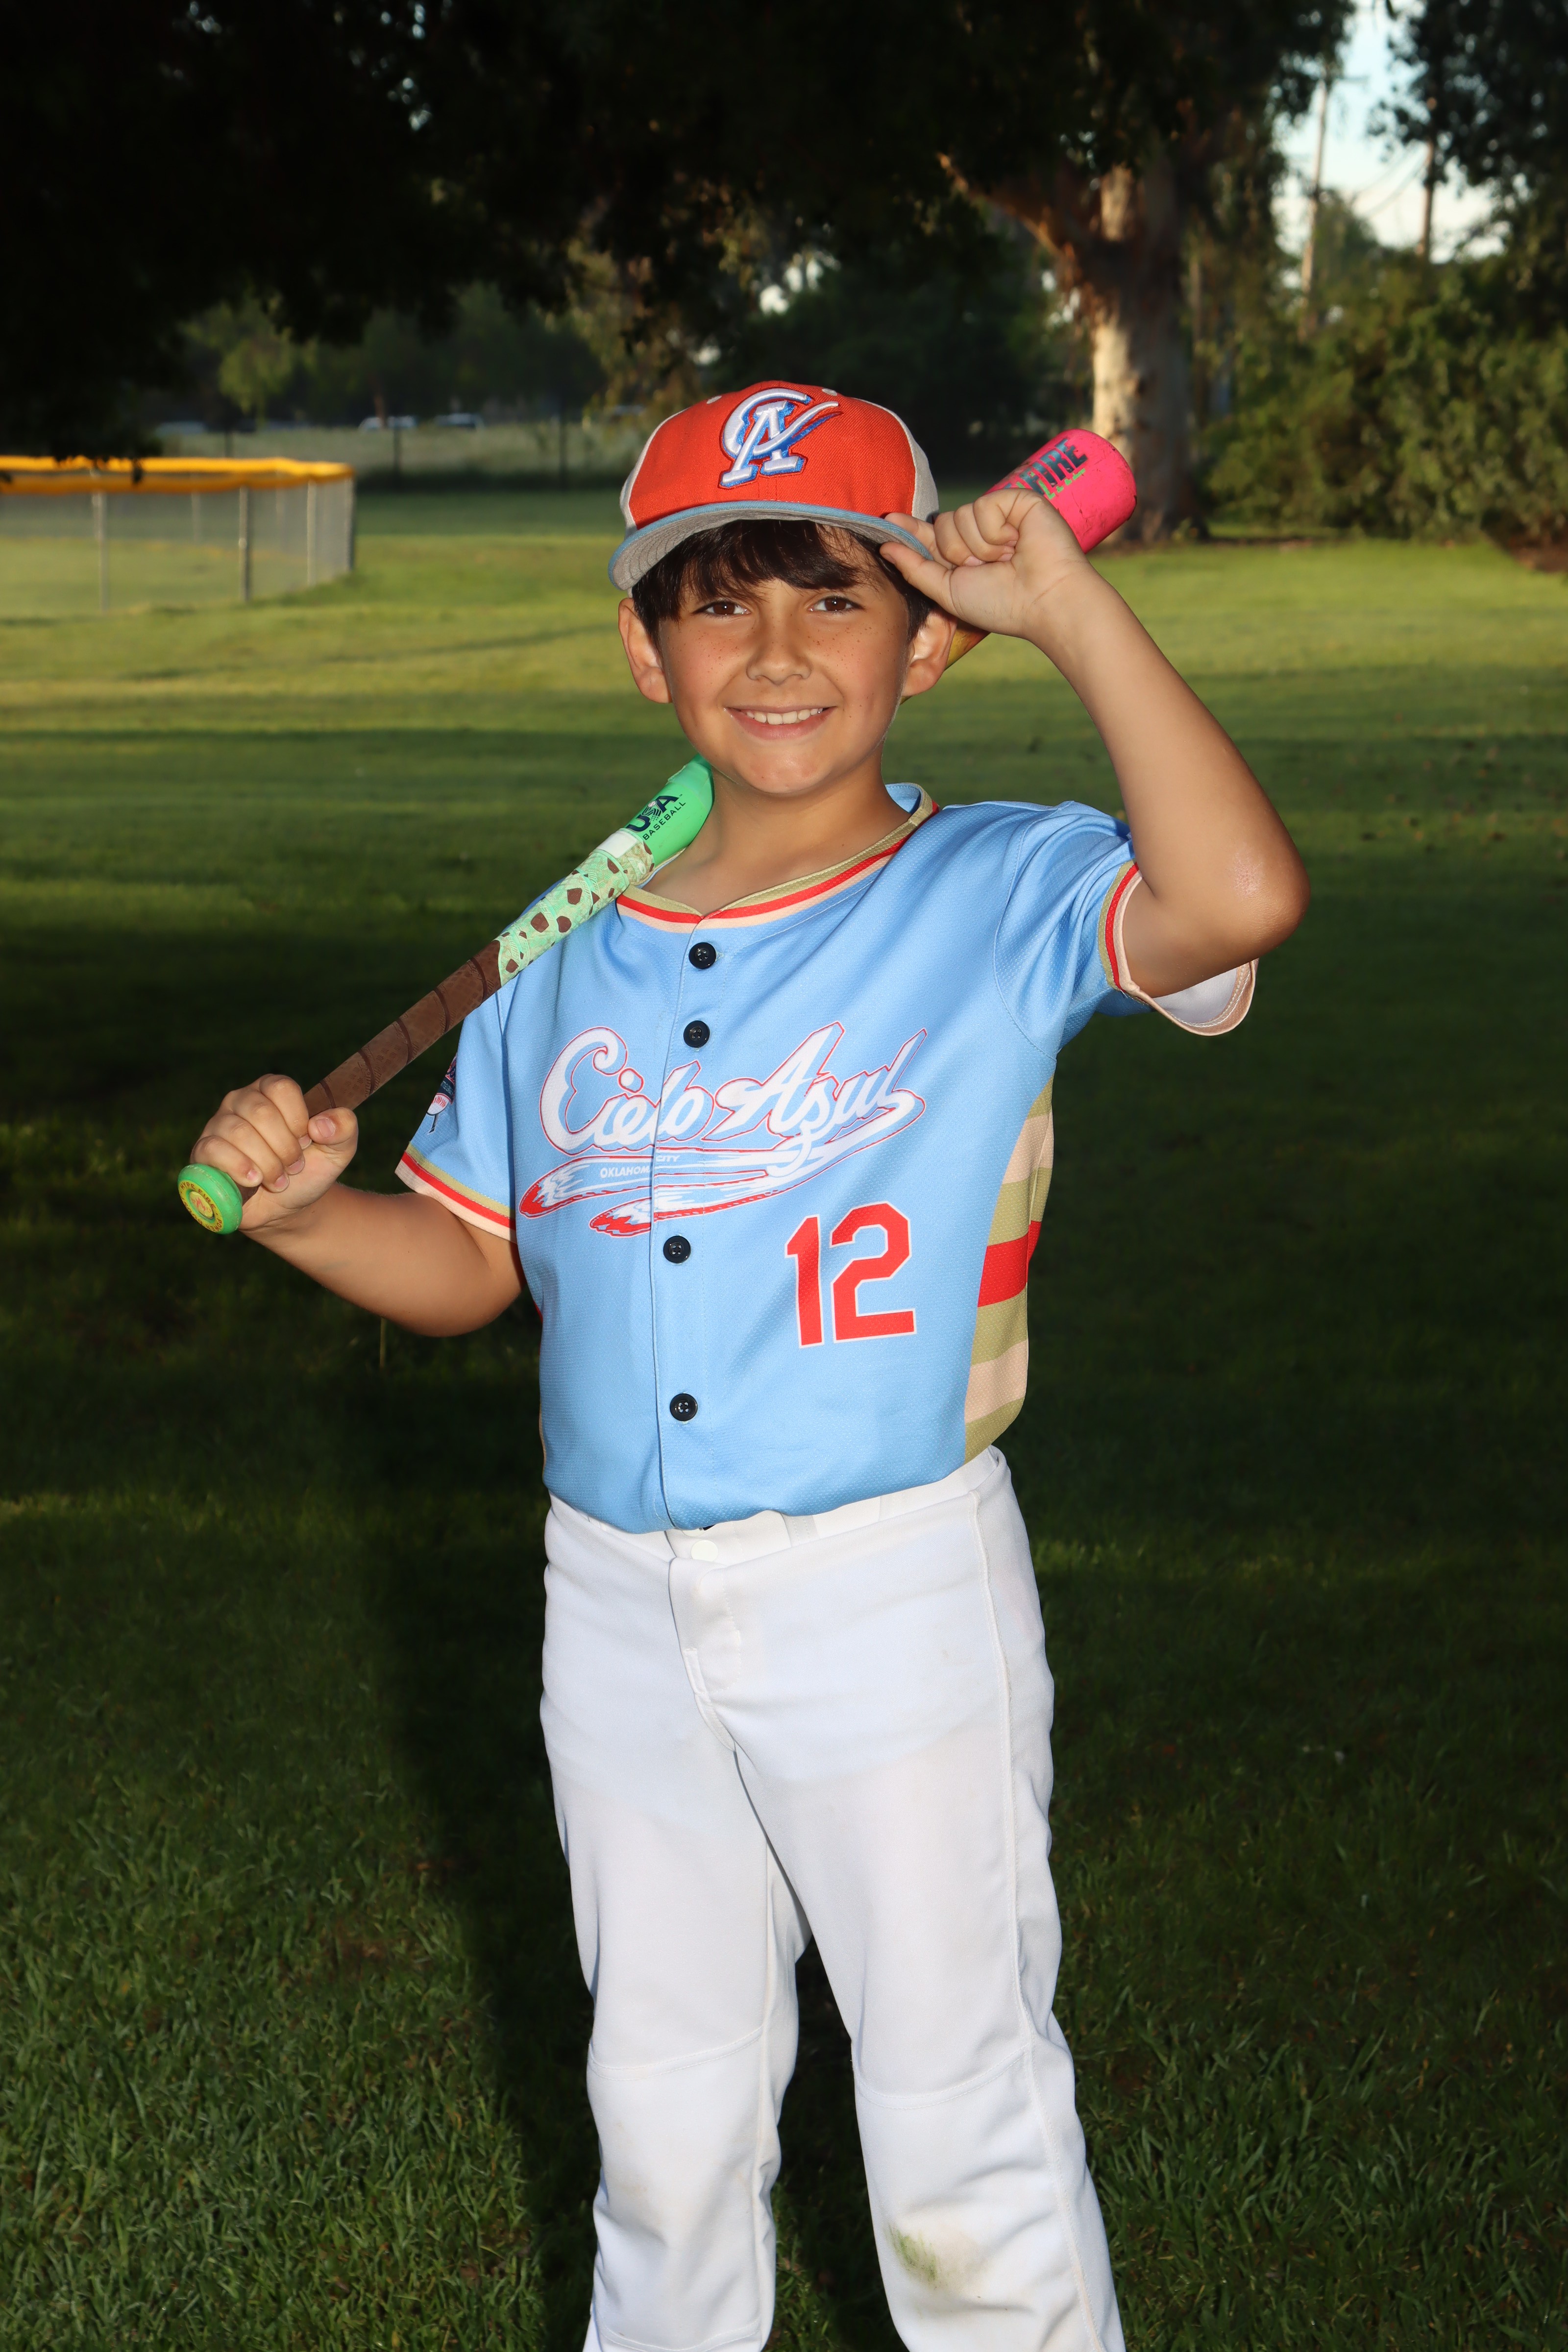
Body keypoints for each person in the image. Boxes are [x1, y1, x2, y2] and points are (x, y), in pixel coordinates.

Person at [187, 384, 1308, 2352]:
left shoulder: (1000, 888)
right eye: (719, 603)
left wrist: (1065, 601)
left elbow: (1236, 899)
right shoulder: (562, 952)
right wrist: (302, 1216)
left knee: (954, 2105)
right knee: (662, 2108)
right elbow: (467, 1264)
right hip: (615, 1602)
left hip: (890, 1587)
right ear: (648, 649)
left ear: (922, 644)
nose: (777, 649)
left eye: (835, 598)